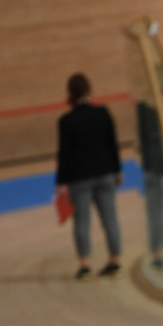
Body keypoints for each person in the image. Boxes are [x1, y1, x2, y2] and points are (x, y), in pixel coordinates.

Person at [56, 73, 123, 280]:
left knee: (82, 222)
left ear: (69, 92)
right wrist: (117, 169)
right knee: (110, 219)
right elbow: (112, 144)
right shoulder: (102, 113)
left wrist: (60, 182)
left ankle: (85, 264)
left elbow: (64, 154)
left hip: (79, 178)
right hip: (104, 172)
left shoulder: (66, 121)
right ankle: (115, 261)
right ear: (89, 90)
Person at [135, 101, 163, 269]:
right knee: (157, 211)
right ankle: (159, 251)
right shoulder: (155, 110)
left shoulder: (142, 110)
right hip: (158, 168)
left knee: (154, 211)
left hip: (151, 167)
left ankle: (157, 250)